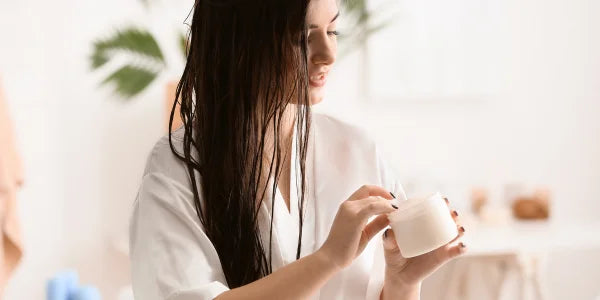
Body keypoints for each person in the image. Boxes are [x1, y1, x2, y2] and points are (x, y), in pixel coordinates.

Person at [129, 0, 466, 299]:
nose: (328, 54)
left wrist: (402, 283)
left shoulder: (357, 150)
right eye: (301, 37)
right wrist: (328, 259)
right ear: (241, 41)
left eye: (332, 31)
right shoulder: (177, 169)